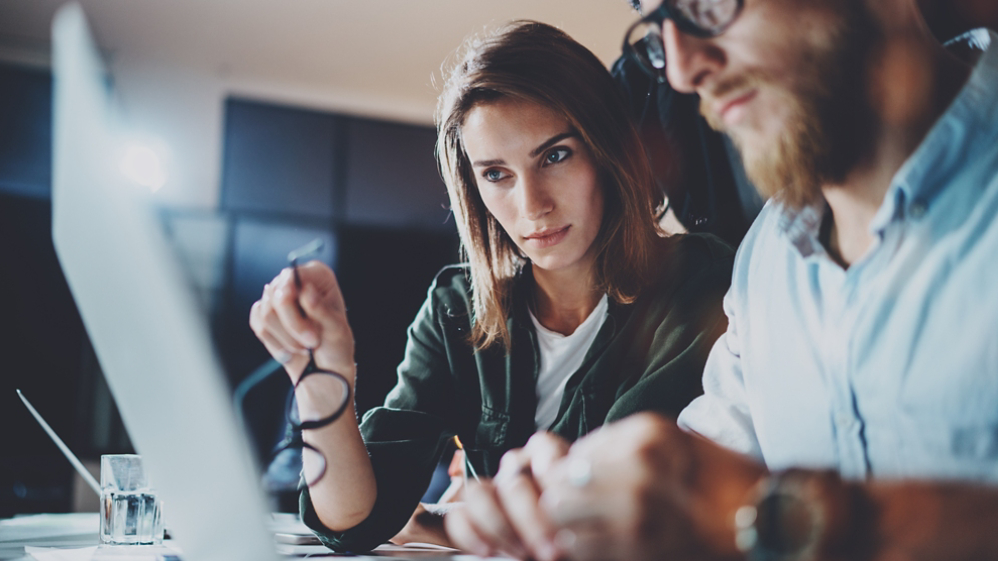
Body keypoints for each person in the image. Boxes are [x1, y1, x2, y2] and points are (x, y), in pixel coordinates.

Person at [446, 1, 998, 560]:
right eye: (660, 25)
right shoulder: (767, 258)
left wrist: (788, 518)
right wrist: (577, 504)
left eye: (706, 5)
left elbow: (740, 508)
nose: (684, 72)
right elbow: (699, 474)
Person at [249, 20, 733, 553]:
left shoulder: (695, 279)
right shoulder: (457, 307)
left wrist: (448, 523)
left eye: (555, 155)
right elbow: (353, 521)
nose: (532, 206)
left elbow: (606, 494)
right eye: (497, 174)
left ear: (608, 151)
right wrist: (321, 376)